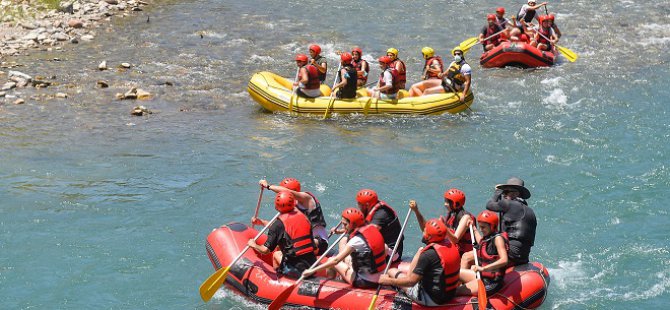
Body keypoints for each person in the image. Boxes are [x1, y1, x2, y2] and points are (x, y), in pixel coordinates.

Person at [378, 219, 461, 306]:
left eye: (425, 230)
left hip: (431, 299)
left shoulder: (428, 255)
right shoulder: (451, 245)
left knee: (392, 271)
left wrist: (389, 281)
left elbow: (411, 282)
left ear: (428, 236)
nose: (423, 231)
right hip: (449, 295)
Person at [302, 208, 388, 288]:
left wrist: (311, 270)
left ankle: (331, 285)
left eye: (345, 224)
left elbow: (335, 261)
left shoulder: (356, 240)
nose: (343, 227)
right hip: (379, 277)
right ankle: (343, 278)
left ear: (353, 224)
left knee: (330, 260)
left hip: (364, 281)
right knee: (349, 254)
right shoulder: (372, 229)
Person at [249, 191, 317, 279]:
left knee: (276, 254)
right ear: (294, 203)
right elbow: (285, 228)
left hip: (295, 270)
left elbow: (265, 250)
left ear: (276, 207)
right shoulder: (304, 218)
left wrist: (254, 245)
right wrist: (262, 222)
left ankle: (279, 280)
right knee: (279, 249)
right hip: (312, 264)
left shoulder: (277, 225)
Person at [259, 178, 329, 255]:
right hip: (304, 241)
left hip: (319, 243)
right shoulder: (290, 206)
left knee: (279, 253)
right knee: (281, 242)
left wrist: (268, 186)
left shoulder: (307, 198)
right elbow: (281, 229)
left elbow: (288, 192)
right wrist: (262, 222)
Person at [335, 189, 404, 261]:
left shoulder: (381, 214)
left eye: (359, 203)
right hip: (378, 246)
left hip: (391, 252)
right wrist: (341, 231)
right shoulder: (371, 208)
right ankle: (345, 261)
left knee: (353, 242)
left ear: (366, 205)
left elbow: (369, 233)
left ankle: (346, 263)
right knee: (344, 240)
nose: (357, 205)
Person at [409, 188, 476, 259]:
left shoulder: (465, 218)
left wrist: (443, 226)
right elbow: (426, 229)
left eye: (448, 202)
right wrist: (416, 211)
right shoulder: (451, 215)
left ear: (455, 204)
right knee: (430, 237)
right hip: (454, 250)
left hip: (463, 253)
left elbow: (455, 239)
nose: (445, 204)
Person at [485, 177, 536, 266]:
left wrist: (497, 192)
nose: (503, 195)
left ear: (516, 193)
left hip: (510, 254)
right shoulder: (530, 211)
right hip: (523, 257)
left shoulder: (509, 204)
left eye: (505, 192)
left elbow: (489, 205)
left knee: (467, 256)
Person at [458, 210, 509, 296]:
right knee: (456, 273)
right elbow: (481, 243)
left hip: (491, 282)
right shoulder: (489, 237)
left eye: (483, 227)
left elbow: (504, 260)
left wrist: (483, 269)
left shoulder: (498, 239)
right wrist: (474, 228)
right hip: (482, 276)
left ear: (492, 226)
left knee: (456, 291)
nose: (481, 229)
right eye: (480, 227)